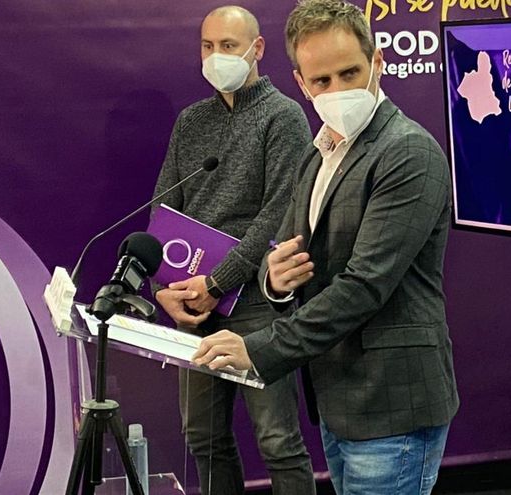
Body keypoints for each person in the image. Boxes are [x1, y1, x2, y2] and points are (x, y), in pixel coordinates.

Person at [191, 1, 460, 494]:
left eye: (350, 73)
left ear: (377, 62)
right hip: (338, 395)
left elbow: (364, 285)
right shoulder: (319, 153)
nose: (337, 90)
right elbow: (286, 249)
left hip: (392, 401)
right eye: (321, 80)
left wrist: (257, 348)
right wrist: (273, 280)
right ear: (301, 83)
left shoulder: (408, 151)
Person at [151, 6, 315, 495]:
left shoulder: (284, 116)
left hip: (257, 300)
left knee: (278, 440)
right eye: (208, 46)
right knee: (202, 437)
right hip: (194, 301)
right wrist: (165, 286)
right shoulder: (191, 121)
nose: (216, 56)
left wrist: (218, 281)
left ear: (256, 48)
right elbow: (165, 206)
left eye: (228, 46)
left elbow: (279, 213)